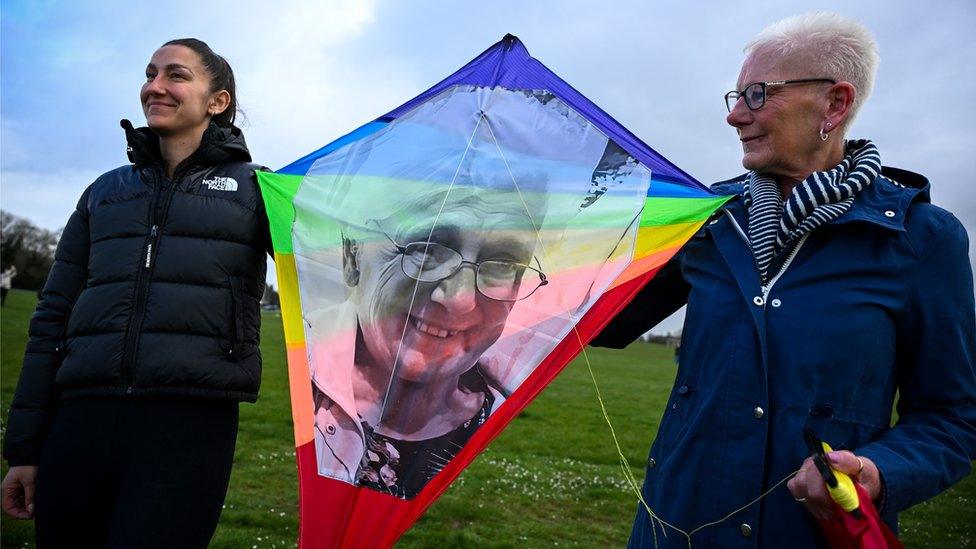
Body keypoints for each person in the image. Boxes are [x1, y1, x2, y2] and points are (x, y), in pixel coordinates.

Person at [592, 12, 975, 547]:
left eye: (757, 94)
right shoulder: (707, 217)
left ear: (834, 104)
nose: (735, 117)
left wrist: (881, 471)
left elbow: (953, 416)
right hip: (672, 531)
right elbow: (596, 321)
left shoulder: (921, 237)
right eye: (736, 96)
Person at [1, 38, 271, 547]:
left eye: (176, 75)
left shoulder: (259, 190)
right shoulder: (104, 191)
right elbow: (52, 315)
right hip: (81, 420)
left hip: (188, 426)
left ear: (218, 101)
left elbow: (339, 269)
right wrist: (25, 451)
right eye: (150, 74)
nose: (155, 86)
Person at [309, 186, 549, 499]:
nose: (460, 300)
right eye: (427, 248)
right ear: (353, 256)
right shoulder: (290, 383)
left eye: (503, 264)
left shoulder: (510, 419)